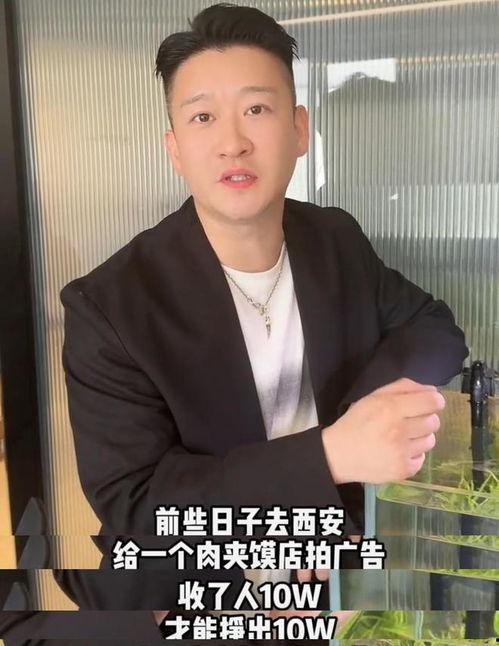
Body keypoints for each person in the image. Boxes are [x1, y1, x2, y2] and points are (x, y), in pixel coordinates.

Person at [51, 2, 468, 642]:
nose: (233, 142)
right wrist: (328, 456)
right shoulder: (109, 305)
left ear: (299, 129)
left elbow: (433, 328)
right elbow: (135, 502)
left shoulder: (333, 238)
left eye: (257, 109)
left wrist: (360, 427)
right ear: (174, 149)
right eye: (202, 117)